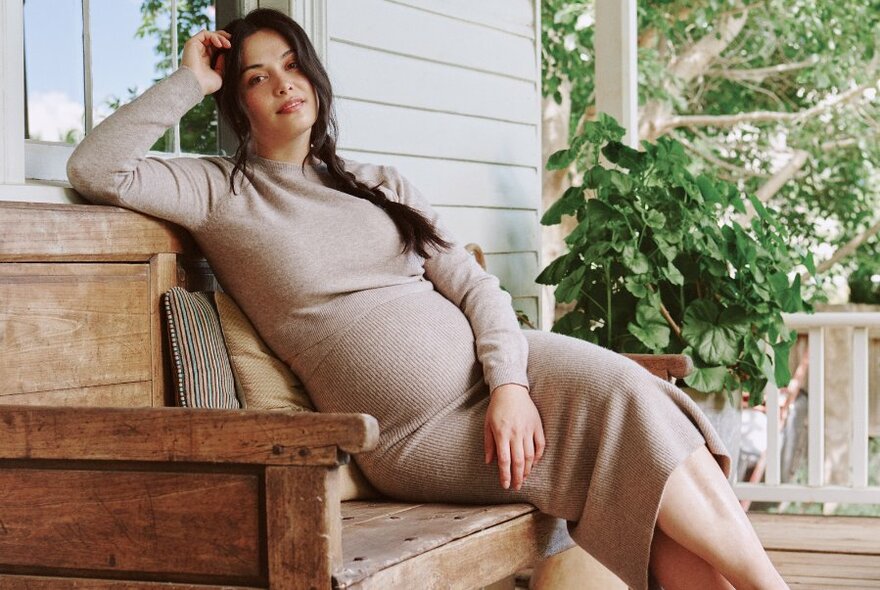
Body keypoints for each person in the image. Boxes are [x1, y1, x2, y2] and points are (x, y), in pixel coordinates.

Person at [67, 8, 789, 590]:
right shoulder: (219, 192)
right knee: (637, 436)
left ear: (314, 78)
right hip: (417, 431)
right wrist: (189, 79)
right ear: (237, 102)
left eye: (291, 64)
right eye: (256, 76)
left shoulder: (375, 179)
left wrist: (508, 382)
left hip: (504, 380)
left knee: (635, 401)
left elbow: (475, 286)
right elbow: (94, 167)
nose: (283, 83)